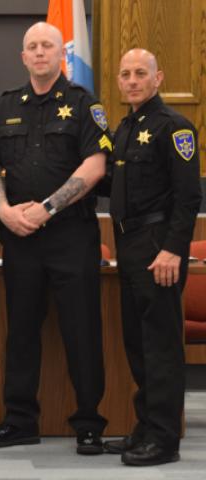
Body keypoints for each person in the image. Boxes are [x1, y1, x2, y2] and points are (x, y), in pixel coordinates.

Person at [0, 22, 113, 455]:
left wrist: (48, 208)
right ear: (23, 57)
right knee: (20, 331)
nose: (39, 53)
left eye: (47, 46)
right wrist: (2, 210)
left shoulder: (84, 104)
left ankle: (89, 423)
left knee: (82, 331)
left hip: (71, 237)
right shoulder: (5, 106)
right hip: (19, 237)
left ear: (62, 55)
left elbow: (95, 166)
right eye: (32, 47)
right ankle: (20, 421)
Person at [102, 49, 202, 466]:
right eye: (125, 74)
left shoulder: (175, 128)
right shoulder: (125, 128)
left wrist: (172, 250)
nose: (132, 80)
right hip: (129, 245)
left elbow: (188, 197)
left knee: (161, 345)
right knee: (138, 343)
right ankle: (145, 427)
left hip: (158, 244)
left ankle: (164, 439)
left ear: (158, 78)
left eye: (141, 73)